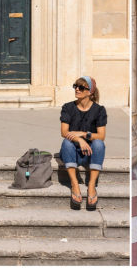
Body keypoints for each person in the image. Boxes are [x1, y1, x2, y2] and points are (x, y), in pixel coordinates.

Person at [59, 76, 107, 210]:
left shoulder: (99, 110)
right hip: (71, 153)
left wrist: (84, 134)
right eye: (76, 86)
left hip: (90, 154)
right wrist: (79, 140)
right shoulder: (68, 107)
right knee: (67, 143)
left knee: (98, 144)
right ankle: (74, 183)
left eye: (81, 87)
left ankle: (91, 185)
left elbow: (101, 136)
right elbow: (64, 132)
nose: (77, 90)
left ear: (90, 92)